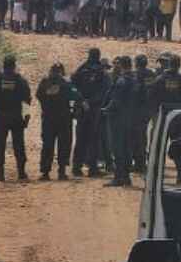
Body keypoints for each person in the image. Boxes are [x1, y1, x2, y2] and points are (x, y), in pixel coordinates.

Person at [0, 54, 32, 181]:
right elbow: (27, 99)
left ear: (3, 65)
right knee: (19, 144)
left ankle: (0, 174)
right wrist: (26, 117)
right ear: (14, 65)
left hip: (0, 116)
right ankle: (21, 173)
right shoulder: (20, 80)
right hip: (16, 116)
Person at [150, 54, 181, 185]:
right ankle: (180, 176)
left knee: (160, 147)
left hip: (164, 116)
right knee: (178, 146)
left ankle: (157, 177)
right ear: (179, 65)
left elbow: (152, 96)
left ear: (169, 64)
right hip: (178, 117)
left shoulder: (160, 79)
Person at [71, 49, 110, 177]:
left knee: (81, 138)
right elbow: (105, 91)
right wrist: (91, 101)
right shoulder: (101, 71)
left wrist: (82, 100)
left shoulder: (82, 69)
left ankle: (76, 167)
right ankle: (92, 169)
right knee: (94, 139)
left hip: (83, 108)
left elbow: (72, 85)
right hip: (94, 109)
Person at [104, 56, 141, 187]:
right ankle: (126, 177)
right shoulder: (135, 80)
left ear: (122, 65)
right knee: (127, 148)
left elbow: (116, 100)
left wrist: (106, 109)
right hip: (131, 119)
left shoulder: (122, 81)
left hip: (118, 119)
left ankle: (118, 177)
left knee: (117, 148)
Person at [36, 62, 76, 180]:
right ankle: (62, 171)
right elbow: (75, 96)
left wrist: (46, 105)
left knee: (47, 144)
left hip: (48, 118)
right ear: (61, 72)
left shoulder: (44, 82)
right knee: (64, 145)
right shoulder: (66, 83)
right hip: (63, 118)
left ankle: (45, 172)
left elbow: (38, 95)